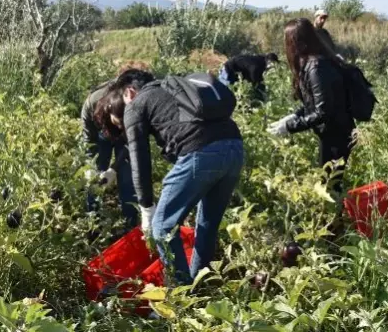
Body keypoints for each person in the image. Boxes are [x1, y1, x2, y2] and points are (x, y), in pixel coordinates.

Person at [100, 69, 244, 285]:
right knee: (207, 225)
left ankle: (180, 293)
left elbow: (139, 161)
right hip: (235, 149)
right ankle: (201, 286)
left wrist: (147, 208)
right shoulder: (170, 90)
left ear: (129, 92)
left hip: (201, 152)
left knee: (162, 228)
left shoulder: (135, 104)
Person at [266, 18, 356, 231]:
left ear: (296, 42)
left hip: (337, 135)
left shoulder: (316, 67)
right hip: (332, 134)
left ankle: (335, 234)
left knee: (329, 186)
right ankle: (335, 230)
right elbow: (314, 105)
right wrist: (292, 117)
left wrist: (291, 127)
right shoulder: (315, 63)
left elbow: (323, 112)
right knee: (330, 184)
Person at [81, 79, 138, 229]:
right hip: (100, 133)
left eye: (123, 124)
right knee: (94, 181)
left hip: (124, 137)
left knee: (127, 179)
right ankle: (93, 225)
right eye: (118, 122)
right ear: (109, 109)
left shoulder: (134, 108)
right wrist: (90, 165)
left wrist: (114, 168)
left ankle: (130, 225)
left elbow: (130, 144)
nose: (119, 126)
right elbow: (89, 140)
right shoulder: (92, 104)